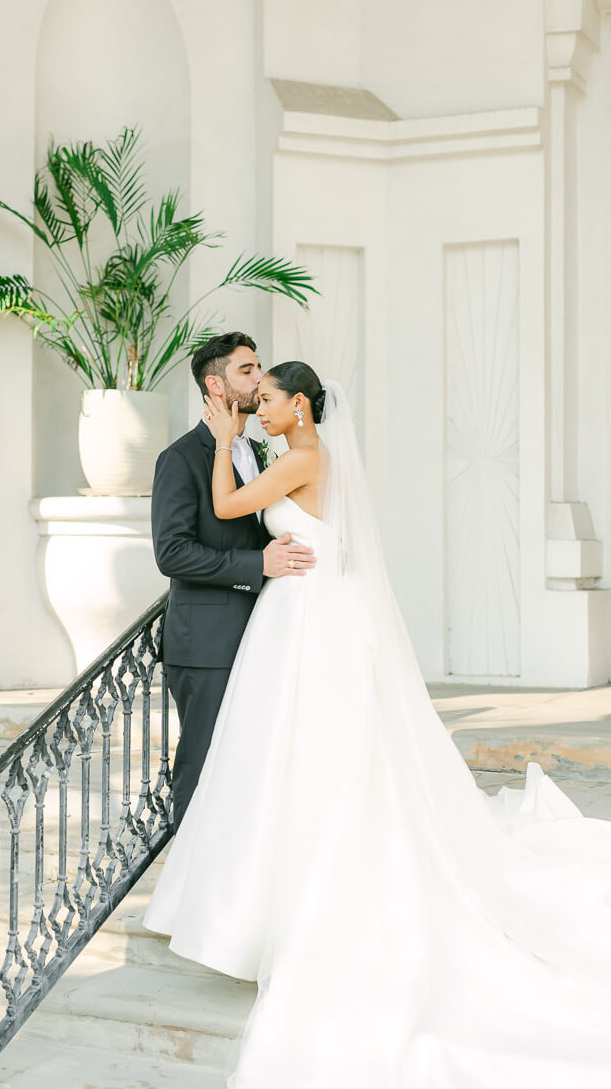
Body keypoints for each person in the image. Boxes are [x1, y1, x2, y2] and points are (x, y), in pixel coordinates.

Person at [145, 359, 611, 1088]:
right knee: (291, 759)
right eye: (252, 396)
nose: (260, 409)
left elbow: (231, 508)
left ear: (300, 405)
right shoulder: (307, 452)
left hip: (307, 618)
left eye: (268, 400)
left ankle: (302, 906)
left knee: (309, 758)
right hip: (303, 611)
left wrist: (225, 442)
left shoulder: (300, 457)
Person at [150, 333, 316, 829]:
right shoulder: (179, 459)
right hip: (206, 646)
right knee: (202, 772)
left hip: (261, 636)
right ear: (215, 385)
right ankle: (187, 892)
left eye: (260, 368)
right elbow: (172, 553)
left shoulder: (259, 452)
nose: (260, 378)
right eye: (247, 370)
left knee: (248, 773)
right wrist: (256, 566)